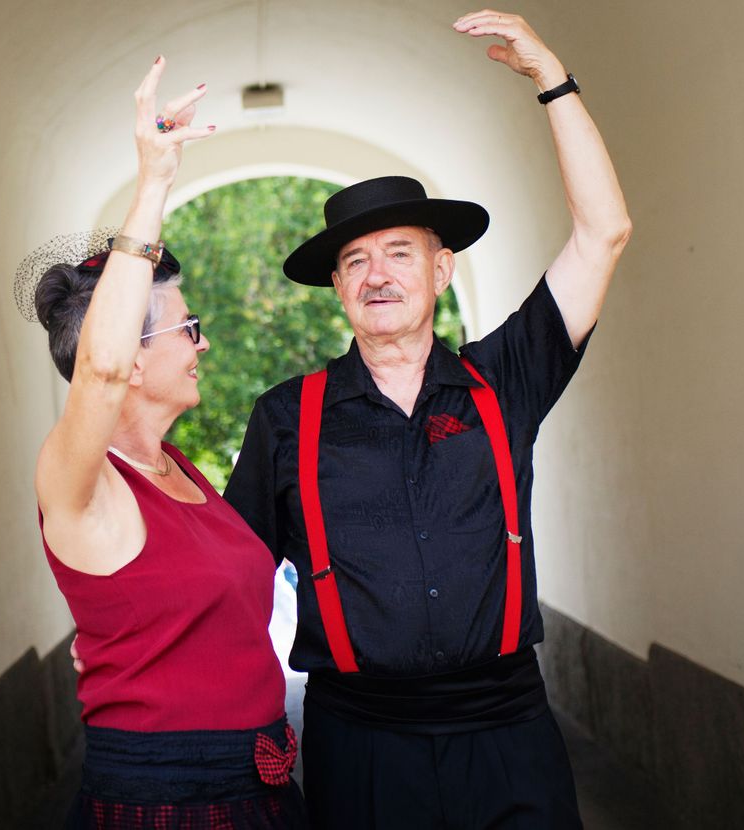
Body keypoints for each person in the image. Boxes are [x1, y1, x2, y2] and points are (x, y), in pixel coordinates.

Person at [222, 10, 631, 829]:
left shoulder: (503, 380)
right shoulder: (286, 418)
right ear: (338, 288)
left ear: (442, 270)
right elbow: (232, 579)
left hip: (508, 730)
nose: (377, 274)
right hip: (360, 740)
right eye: (355, 260)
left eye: (399, 252)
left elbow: (603, 234)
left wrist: (553, 79)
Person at [30, 58, 305, 829]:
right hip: (167, 802)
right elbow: (99, 368)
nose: (203, 343)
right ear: (132, 359)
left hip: (258, 785)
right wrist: (153, 182)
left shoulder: (181, 468)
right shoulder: (82, 482)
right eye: (188, 328)